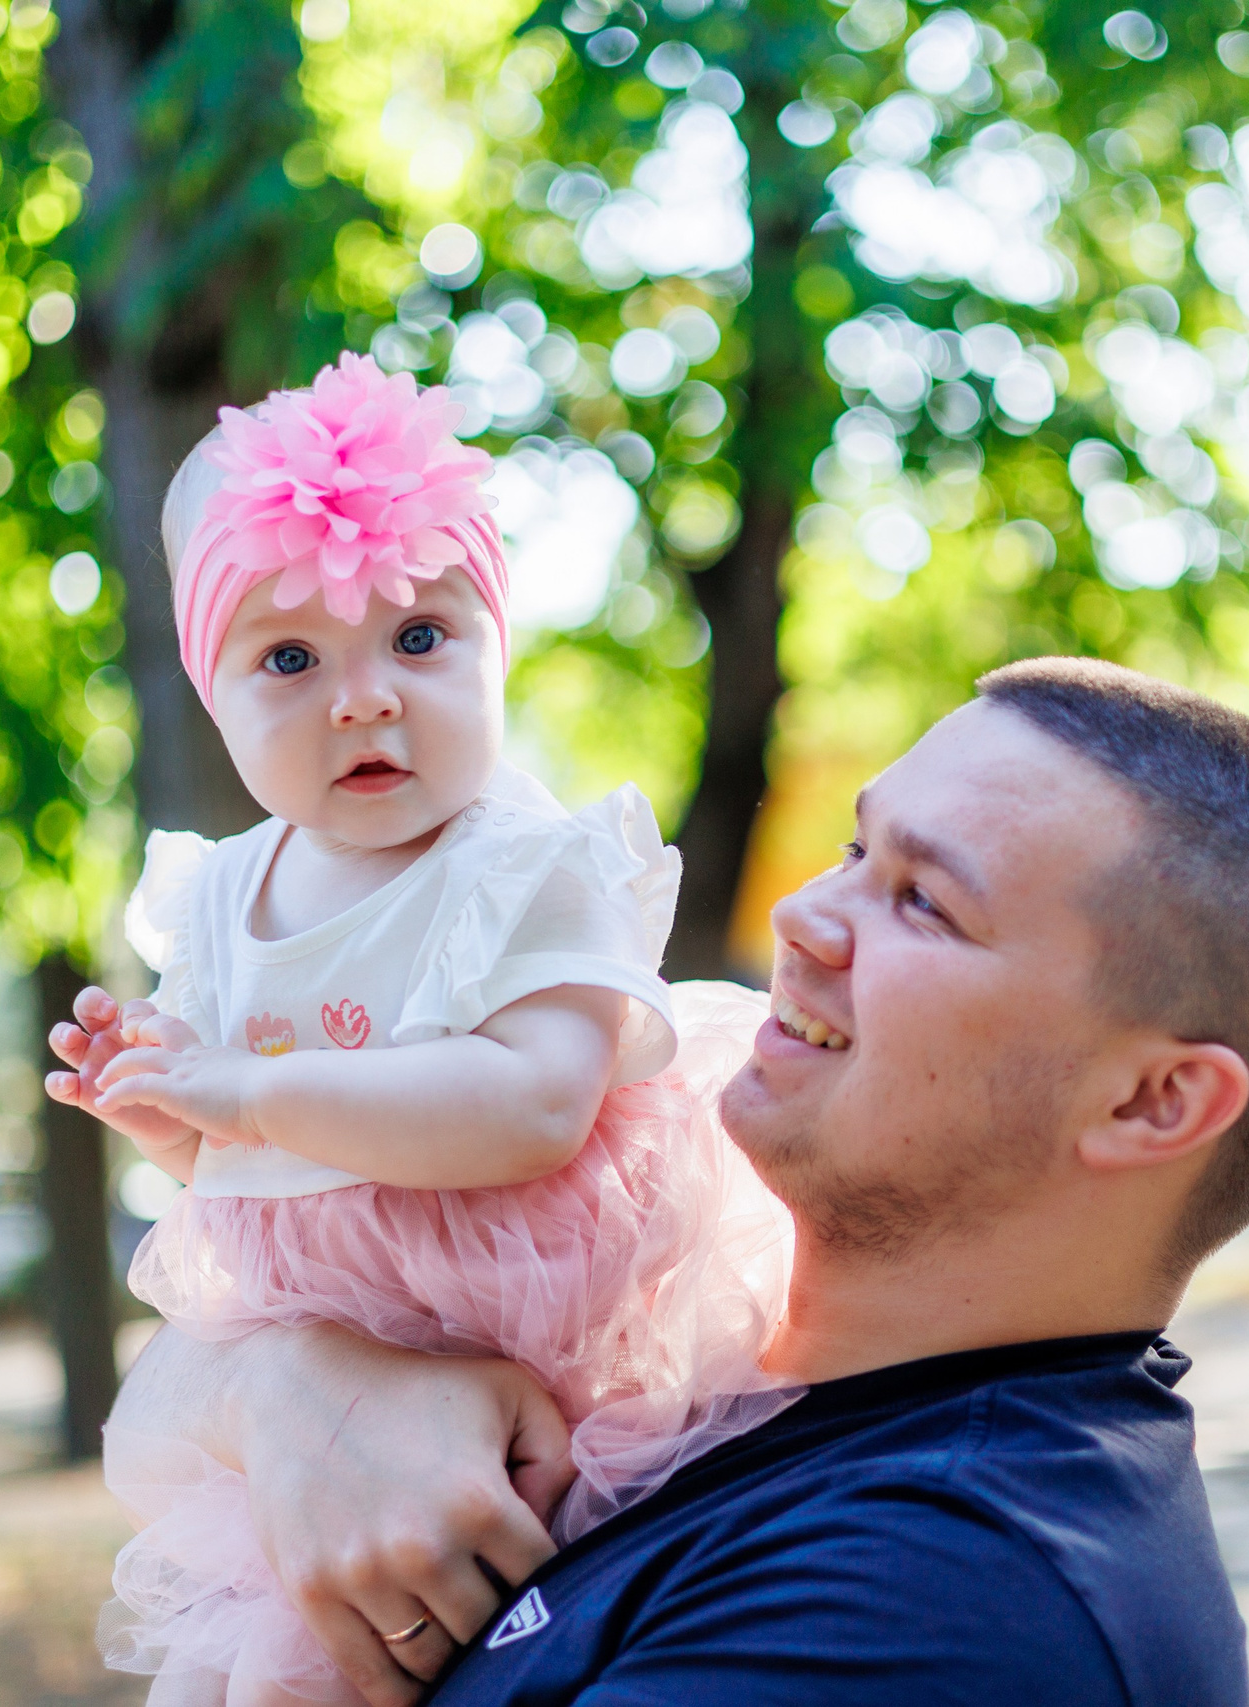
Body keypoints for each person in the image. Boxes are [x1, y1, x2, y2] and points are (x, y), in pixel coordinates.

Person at [86, 655, 1249, 1706]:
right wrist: (287, 1387)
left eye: (924, 902)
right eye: (853, 852)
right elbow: (184, 1377)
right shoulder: (674, 1346)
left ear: (1149, 1100)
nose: (801, 919)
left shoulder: (942, 1600)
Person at [44, 353, 794, 1705]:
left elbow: (532, 1105)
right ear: (216, 692)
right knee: (282, 1665)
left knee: (537, 1632)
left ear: (497, 642)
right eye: (290, 658)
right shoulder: (218, 897)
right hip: (335, 1367)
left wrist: (254, 1089)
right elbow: (256, 1178)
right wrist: (167, 1111)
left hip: (557, 1362)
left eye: (420, 637)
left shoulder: (523, 865)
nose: (366, 696)